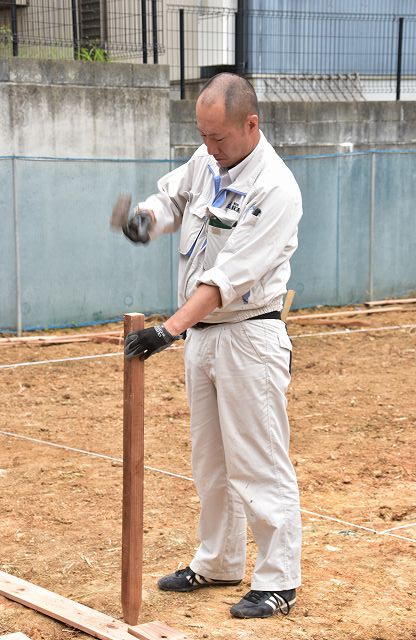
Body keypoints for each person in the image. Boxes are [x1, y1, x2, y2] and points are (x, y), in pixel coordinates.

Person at [122, 73, 303, 620]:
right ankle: (219, 561)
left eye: (218, 139)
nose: (209, 148)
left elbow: (228, 278)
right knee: (211, 463)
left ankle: (279, 579)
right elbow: (173, 196)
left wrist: (166, 330)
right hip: (203, 339)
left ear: (251, 124)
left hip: (249, 337)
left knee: (258, 462)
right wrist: (146, 219)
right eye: (202, 136)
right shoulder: (208, 161)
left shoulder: (276, 188)